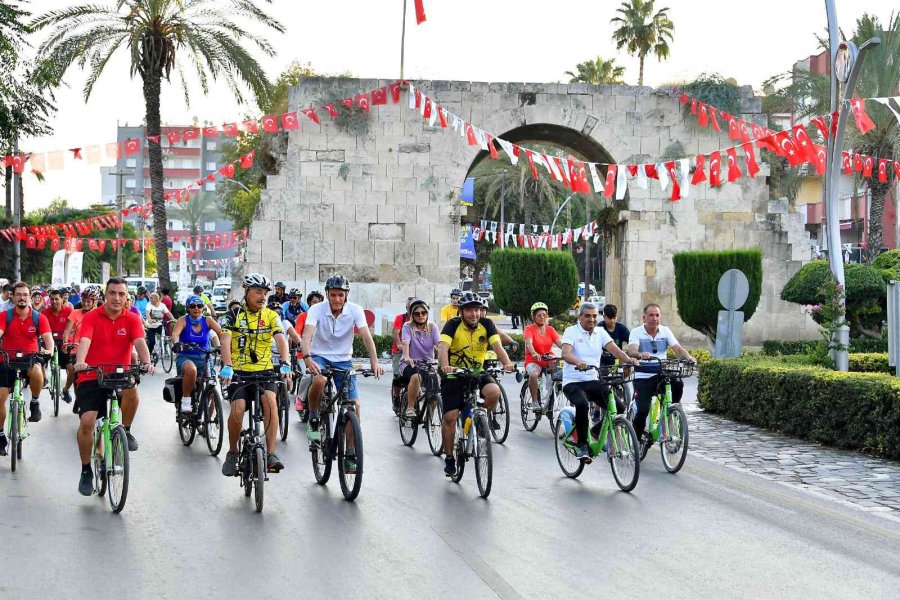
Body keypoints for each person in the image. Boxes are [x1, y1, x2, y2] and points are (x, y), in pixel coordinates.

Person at [72, 277, 154, 496]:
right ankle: (86, 470)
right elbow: (85, 341)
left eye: (121, 294)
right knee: (88, 422)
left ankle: (125, 430)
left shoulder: (132, 319)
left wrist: (146, 362)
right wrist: (81, 362)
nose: (117, 298)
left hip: (120, 374)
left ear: (127, 296)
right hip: (92, 374)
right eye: (113, 293)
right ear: (105, 295)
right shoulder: (91, 317)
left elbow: (139, 343)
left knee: (132, 390)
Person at [301, 275, 384, 472]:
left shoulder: (354, 310)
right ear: (327, 295)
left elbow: (366, 336)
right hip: (320, 356)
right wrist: (307, 357)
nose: (337, 299)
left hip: (344, 360)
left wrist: (375, 361)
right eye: (333, 295)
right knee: (319, 380)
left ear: (346, 295)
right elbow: (306, 335)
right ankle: (313, 419)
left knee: (353, 406)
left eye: (340, 295)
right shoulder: (316, 309)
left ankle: (350, 453)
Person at [219, 274, 290, 475]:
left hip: (265, 372)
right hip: (238, 373)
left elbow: (281, 340)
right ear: (247, 292)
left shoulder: (271, 315)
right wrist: (227, 365)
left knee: (270, 403)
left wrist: (285, 362)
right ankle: (232, 451)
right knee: (238, 407)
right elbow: (225, 341)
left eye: (265, 293)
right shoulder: (233, 315)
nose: (262, 296)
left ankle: (270, 454)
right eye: (258, 292)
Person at [437, 292, 514, 477]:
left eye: (477, 310)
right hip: (454, 375)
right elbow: (442, 347)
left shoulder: (487, 324)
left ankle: (480, 421)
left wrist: (508, 363)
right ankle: (449, 458)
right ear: (462, 312)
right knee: (450, 417)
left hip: (477, 373)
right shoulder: (452, 325)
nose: (474, 314)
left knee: (494, 391)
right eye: (470, 310)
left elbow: (497, 347)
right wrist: (445, 366)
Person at [560, 302, 638, 462]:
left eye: (595, 316)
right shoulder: (571, 332)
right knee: (581, 405)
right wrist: (578, 362)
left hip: (593, 379)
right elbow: (566, 353)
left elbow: (615, 350)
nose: (591, 319)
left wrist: (629, 360)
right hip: (573, 381)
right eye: (587, 316)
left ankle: (595, 431)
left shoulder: (601, 332)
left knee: (620, 407)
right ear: (580, 317)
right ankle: (582, 446)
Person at [626, 303, 696, 450]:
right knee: (643, 410)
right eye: (651, 315)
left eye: (657, 315)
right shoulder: (636, 332)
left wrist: (688, 358)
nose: (654, 318)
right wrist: (640, 354)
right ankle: (636, 441)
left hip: (661, 374)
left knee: (678, 383)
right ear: (644, 318)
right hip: (643, 377)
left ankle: (672, 410)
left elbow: (677, 349)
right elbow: (631, 351)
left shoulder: (665, 331)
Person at [0, 282, 54, 438]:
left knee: (37, 371)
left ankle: (35, 402)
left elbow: (48, 340)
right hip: (6, 360)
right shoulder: (5, 316)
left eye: (25, 295)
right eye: (18, 294)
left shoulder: (39, 318)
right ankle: (1, 435)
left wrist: (49, 351)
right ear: (13, 297)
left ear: (30, 297)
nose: (22, 298)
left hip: (30, 359)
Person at [171, 295, 225, 413]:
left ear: (203, 308)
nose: (196, 308)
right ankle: (185, 400)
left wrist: (224, 345)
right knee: (191, 370)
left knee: (211, 385)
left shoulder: (208, 320)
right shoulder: (183, 320)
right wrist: (177, 343)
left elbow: (221, 333)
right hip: (186, 356)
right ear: (188, 308)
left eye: (199, 306)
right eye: (193, 306)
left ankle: (209, 422)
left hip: (205, 357)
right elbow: (175, 334)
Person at [399, 299, 439, 418]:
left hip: (428, 365)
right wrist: (406, 357)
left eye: (424, 313)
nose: (421, 316)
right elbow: (405, 344)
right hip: (409, 364)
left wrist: (445, 359)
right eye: (417, 313)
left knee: (436, 389)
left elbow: (439, 345)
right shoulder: (407, 326)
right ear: (412, 315)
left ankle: (429, 417)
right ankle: (410, 407)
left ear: (427, 313)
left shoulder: (432, 327)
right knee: (416, 376)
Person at [61, 286, 99, 404]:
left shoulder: (99, 314)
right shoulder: (75, 313)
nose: (86, 303)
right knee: (75, 374)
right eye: (84, 300)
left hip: (93, 349)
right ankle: (77, 399)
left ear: (94, 302)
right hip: (76, 349)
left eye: (89, 301)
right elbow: (67, 331)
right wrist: (66, 343)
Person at [523, 302, 563, 410]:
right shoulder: (529, 329)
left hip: (548, 360)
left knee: (562, 374)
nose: (542, 317)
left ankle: (553, 396)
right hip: (534, 360)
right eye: (539, 315)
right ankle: (535, 401)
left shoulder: (550, 329)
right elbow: (529, 343)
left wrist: (568, 350)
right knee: (533, 375)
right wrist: (534, 353)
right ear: (533, 317)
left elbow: (560, 343)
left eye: (544, 315)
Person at [293, 291, 323, 412]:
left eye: (319, 302)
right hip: (304, 353)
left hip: (321, 354)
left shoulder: (325, 316)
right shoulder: (303, 316)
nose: (317, 304)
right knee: (308, 374)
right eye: (314, 302)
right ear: (309, 303)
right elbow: (298, 333)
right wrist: (302, 345)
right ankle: (300, 398)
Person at [45, 288, 74, 399]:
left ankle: (66, 390)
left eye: (57, 299)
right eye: (52, 299)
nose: (54, 302)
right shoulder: (44, 313)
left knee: (71, 370)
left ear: (62, 299)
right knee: (38, 361)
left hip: (63, 343)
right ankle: (44, 379)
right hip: (49, 343)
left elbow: (73, 326)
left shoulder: (69, 311)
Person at [390, 297, 415, 404]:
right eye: (411, 307)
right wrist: (399, 344)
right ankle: (396, 396)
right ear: (407, 308)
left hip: (414, 351)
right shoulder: (401, 318)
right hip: (399, 351)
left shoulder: (420, 318)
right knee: (397, 376)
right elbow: (395, 332)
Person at [144, 292, 173, 362]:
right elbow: (147, 313)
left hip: (159, 325)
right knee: (152, 341)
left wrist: (173, 318)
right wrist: (149, 319)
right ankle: (148, 355)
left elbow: (168, 313)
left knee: (165, 335)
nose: (150, 299)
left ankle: (165, 346)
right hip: (151, 326)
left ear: (157, 299)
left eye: (152, 298)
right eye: (150, 298)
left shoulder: (162, 305)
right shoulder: (149, 304)